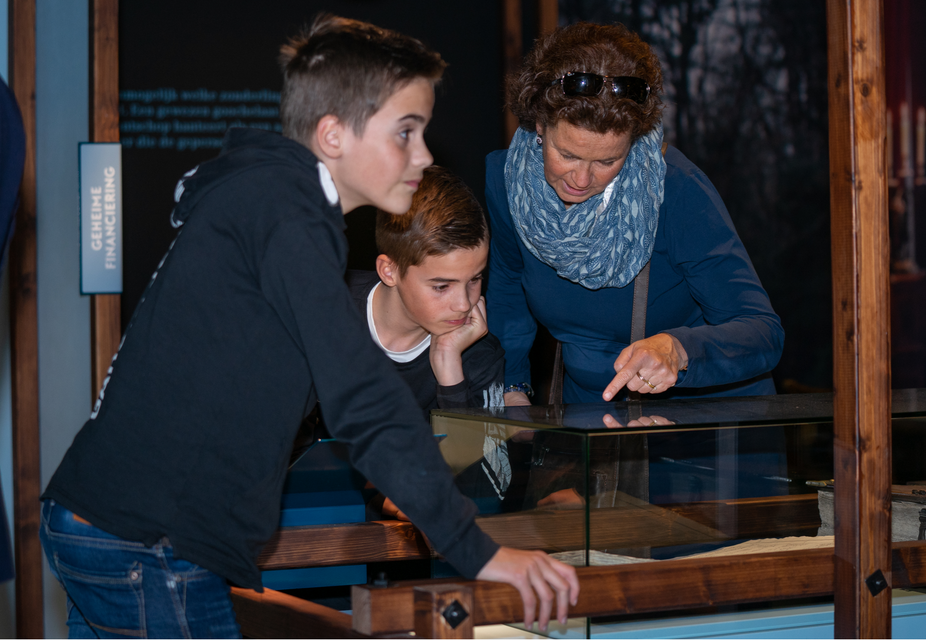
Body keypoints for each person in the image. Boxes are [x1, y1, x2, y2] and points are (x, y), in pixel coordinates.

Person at [39, 15, 577, 638]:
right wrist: (478, 549)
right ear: (332, 134)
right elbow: (362, 402)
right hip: (148, 538)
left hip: (109, 522)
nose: (424, 154)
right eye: (405, 132)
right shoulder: (287, 214)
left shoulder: (269, 201)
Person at [485, 22, 784, 408]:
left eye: (608, 160)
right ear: (539, 125)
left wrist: (677, 350)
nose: (580, 178)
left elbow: (763, 333)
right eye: (568, 154)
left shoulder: (676, 192)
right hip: (591, 414)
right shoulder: (506, 182)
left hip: (703, 422)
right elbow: (508, 285)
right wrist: (513, 386)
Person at [345, 165, 509, 518]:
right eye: (441, 286)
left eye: (475, 279)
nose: (464, 304)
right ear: (389, 270)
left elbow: (488, 491)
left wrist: (451, 377)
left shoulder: (478, 352)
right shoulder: (324, 314)